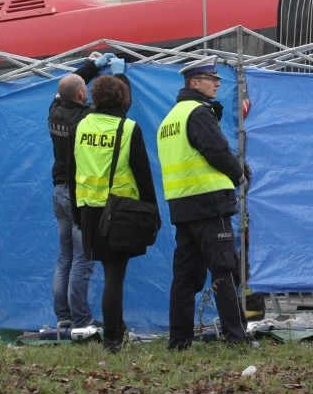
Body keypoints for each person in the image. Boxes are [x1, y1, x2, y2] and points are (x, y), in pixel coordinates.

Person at [156, 55, 249, 350]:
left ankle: (179, 340)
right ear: (194, 83)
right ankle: (236, 338)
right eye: (212, 79)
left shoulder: (169, 119)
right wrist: (239, 173)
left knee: (185, 276)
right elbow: (217, 151)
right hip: (210, 204)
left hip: (183, 207)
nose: (218, 83)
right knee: (223, 269)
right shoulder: (198, 112)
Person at [68, 68, 159, 353]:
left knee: (107, 274)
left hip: (89, 212)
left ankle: (115, 332)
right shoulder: (129, 128)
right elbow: (143, 174)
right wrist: (152, 212)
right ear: (122, 99)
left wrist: (76, 214)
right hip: (118, 212)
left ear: (94, 96)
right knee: (114, 276)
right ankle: (112, 340)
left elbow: (71, 173)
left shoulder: (79, 126)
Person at [47, 51, 115, 329]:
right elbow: (111, 107)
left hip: (58, 191)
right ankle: (81, 318)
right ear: (80, 96)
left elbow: (65, 88)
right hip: (76, 194)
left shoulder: (54, 111)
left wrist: (89, 67)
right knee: (82, 259)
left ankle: (63, 316)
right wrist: (113, 74)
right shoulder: (85, 119)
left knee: (64, 257)